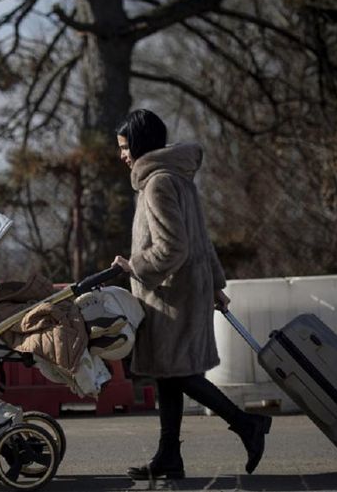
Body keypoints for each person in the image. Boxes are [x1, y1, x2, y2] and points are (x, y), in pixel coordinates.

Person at [112, 109, 272, 480]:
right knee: (169, 376)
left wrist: (133, 266)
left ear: (138, 145)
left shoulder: (157, 184)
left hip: (172, 296)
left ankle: (247, 425)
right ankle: (169, 457)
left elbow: (173, 249)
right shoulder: (178, 179)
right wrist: (215, 284)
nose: (121, 155)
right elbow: (202, 239)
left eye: (124, 147)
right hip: (187, 290)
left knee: (178, 374)